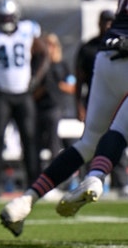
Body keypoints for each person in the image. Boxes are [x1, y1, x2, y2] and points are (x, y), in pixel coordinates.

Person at [0, 0, 128, 237]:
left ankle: (25, 200)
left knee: (88, 142)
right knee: (120, 131)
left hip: (107, 55)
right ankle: (95, 177)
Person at [0, 0, 50, 197]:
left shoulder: (28, 30)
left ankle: (35, 182)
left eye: (8, 16)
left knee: (30, 138)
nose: (5, 20)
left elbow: (44, 54)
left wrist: (35, 78)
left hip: (23, 93)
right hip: (1, 93)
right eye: (2, 16)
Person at [75, 10, 128, 196]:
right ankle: (90, 180)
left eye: (110, 21)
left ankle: (120, 182)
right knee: (92, 141)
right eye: (104, 21)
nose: (107, 25)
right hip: (97, 97)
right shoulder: (89, 47)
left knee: (118, 138)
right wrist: (79, 106)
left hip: (120, 98)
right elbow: (79, 79)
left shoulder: (122, 42)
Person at [33, 33, 75, 163]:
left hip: (56, 107)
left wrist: (56, 85)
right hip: (40, 107)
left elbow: (72, 86)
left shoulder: (61, 65)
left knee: (54, 142)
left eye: (51, 45)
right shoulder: (38, 65)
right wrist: (44, 87)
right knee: (36, 142)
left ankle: (56, 173)